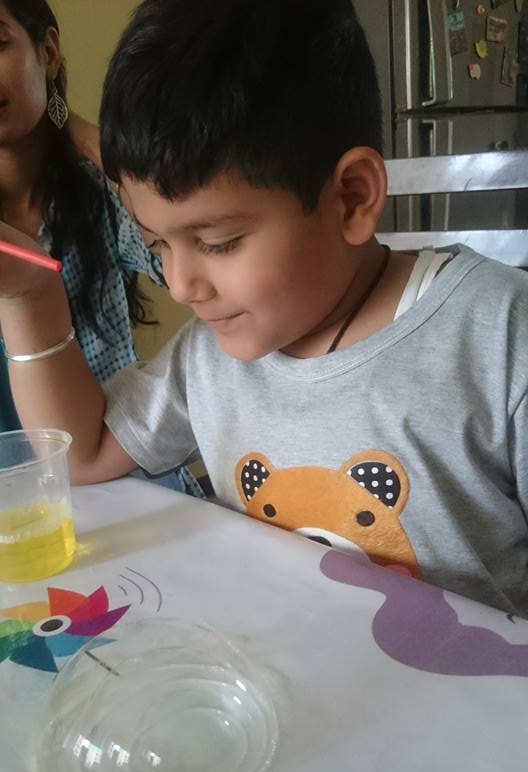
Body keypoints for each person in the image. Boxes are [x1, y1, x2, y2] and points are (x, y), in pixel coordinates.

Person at [1, 0, 528, 616]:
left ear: (352, 198)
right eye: (156, 244)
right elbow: (83, 453)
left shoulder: (500, 338)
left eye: (219, 242)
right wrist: (30, 297)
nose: (179, 285)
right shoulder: (206, 361)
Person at [0, 0, 201, 496]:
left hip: (120, 480)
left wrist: (75, 129)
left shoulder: (100, 191)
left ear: (47, 51)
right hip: (18, 503)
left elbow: (199, 255)